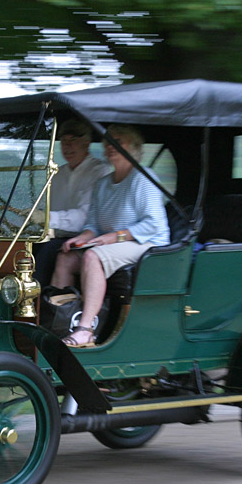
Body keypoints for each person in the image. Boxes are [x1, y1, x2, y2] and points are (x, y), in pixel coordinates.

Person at [51, 123, 170, 347]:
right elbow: (94, 224)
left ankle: (85, 330)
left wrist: (114, 237)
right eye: (109, 143)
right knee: (66, 257)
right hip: (112, 244)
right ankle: (58, 319)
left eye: (119, 142)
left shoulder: (143, 178)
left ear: (134, 147)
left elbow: (154, 224)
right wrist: (82, 238)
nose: (111, 147)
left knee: (93, 256)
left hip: (149, 244)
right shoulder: (103, 183)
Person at [32, 118, 109, 284]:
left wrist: (45, 218)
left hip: (89, 239)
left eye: (73, 141)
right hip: (58, 237)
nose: (67, 146)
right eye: (64, 141)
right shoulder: (58, 174)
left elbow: (85, 218)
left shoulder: (100, 171)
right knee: (24, 251)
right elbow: (45, 209)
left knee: (47, 252)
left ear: (86, 144)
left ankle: (40, 305)